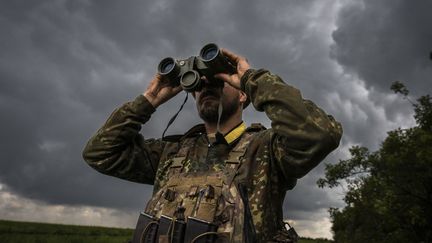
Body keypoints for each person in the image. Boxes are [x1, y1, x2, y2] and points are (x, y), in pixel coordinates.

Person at [82, 47, 342, 242]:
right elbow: (99, 153)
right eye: (199, 85)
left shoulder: (266, 150)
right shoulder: (171, 154)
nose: (206, 87)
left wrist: (253, 79)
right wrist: (149, 99)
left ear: (243, 95)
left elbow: (320, 134)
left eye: (217, 82)